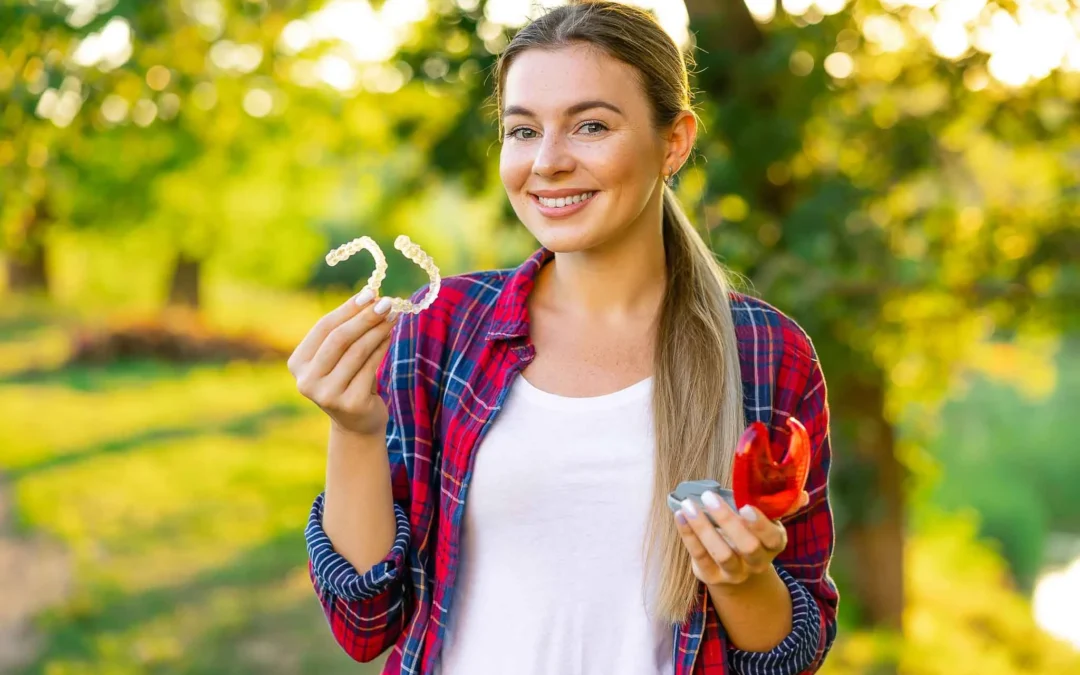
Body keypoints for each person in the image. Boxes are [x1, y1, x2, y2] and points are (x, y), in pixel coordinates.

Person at [288, 2, 838, 673]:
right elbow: (366, 622)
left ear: (675, 141)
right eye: (522, 130)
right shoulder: (442, 328)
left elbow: (793, 656)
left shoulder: (767, 352)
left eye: (591, 125)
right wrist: (354, 427)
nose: (547, 162)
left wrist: (739, 576)